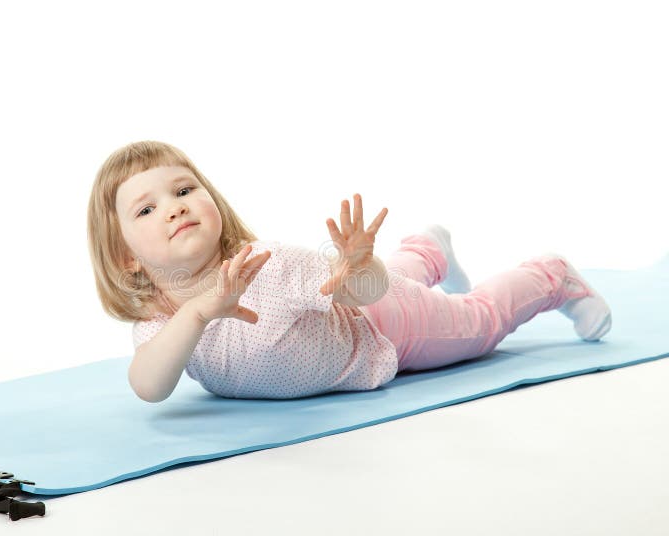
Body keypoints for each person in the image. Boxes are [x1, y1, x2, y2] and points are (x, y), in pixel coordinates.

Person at [87, 140, 612, 403]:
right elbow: (149, 387)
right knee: (401, 279)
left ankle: (552, 276)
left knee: (477, 322)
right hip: (361, 313)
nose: (174, 208)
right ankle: (428, 250)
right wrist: (198, 313)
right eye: (146, 209)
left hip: (383, 328)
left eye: (183, 190)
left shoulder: (269, 266)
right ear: (126, 256)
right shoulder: (161, 322)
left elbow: (364, 293)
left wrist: (358, 267)